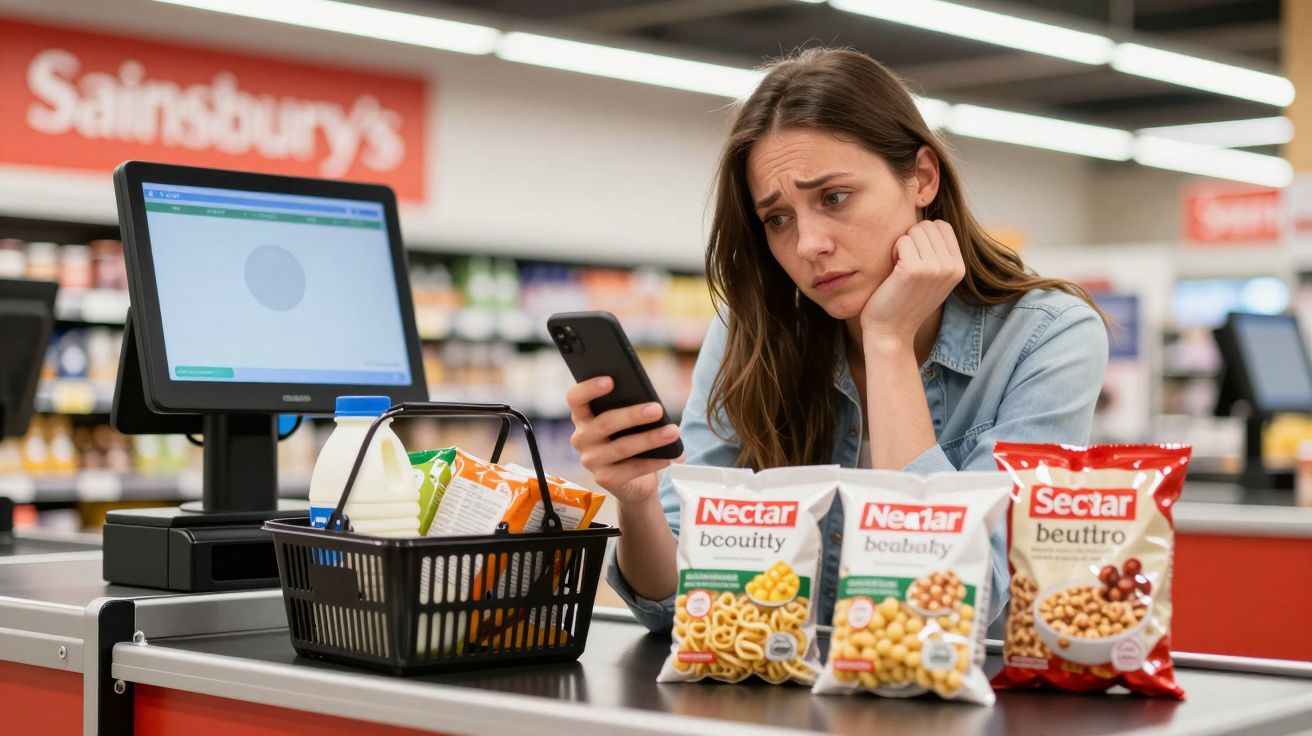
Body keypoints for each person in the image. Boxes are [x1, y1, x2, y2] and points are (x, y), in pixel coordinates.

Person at [565, 48, 1109, 633]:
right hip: (784, 701)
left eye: (834, 197)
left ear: (922, 177)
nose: (809, 244)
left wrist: (889, 341)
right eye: (778, 218)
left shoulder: (1048, 337)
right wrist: (640, 499)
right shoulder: (750, 335)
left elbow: (957, 603)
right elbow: (675, 607)